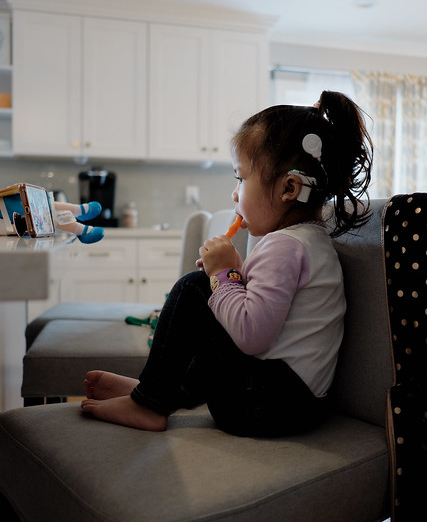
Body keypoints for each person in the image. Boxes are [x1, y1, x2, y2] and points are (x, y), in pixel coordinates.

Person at [81, 90, 373, 437]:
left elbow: (251, 335)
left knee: (193, 288)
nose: (235, 193)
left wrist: (222, 276)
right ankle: (162, 390)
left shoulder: (285, 247)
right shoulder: (309, 241)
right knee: (206, 297)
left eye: (241, 178)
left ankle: (149, 403)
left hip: (267, 408)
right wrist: (233, 271)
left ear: (290, 188)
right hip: (296, 404)